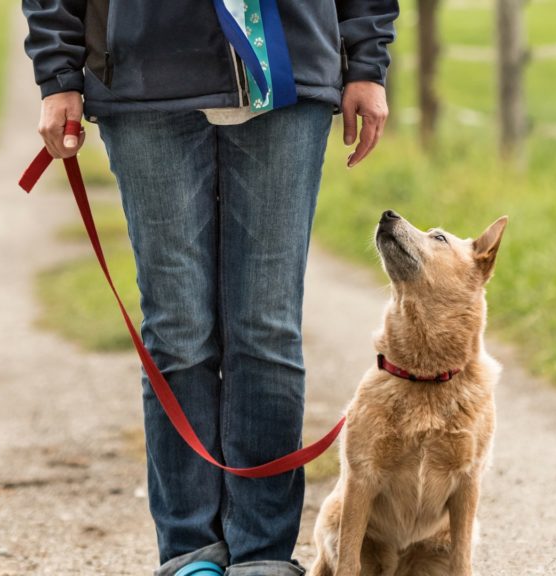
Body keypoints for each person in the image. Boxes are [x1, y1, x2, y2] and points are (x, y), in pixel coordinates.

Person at [22, 2, 398, 575]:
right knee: (177, 331)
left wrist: (367, 62)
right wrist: (58, 74)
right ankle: (189, 551)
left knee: (267, 328)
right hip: (144, 76)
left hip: (290, 74)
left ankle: (262, 554)